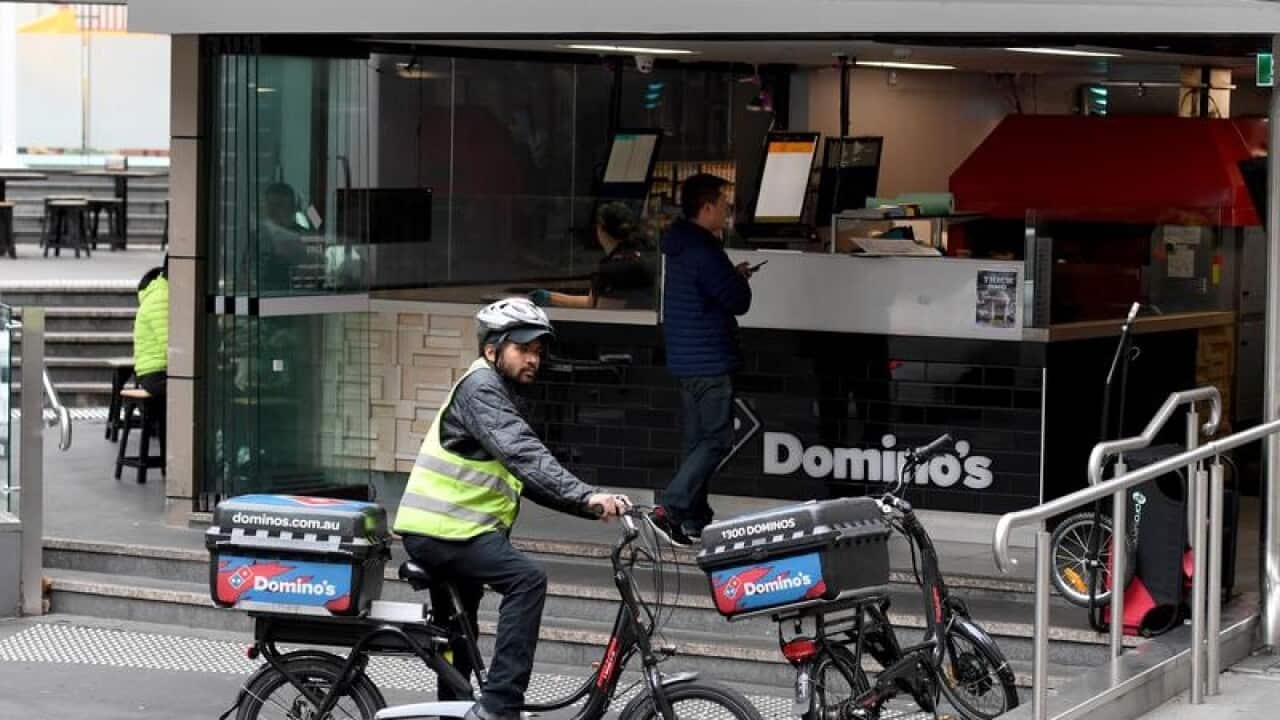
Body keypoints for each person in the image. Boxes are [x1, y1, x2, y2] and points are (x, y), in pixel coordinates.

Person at [393, 297, 632, 720]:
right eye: (523, 349)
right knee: (527, 581)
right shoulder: (481, 388)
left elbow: (523, 476)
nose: (533, 360)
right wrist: (585, 495)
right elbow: (523, 455)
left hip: (458, 531)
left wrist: (591, 505)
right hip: (444, 533)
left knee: (458, 635)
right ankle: (502, 707)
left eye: (539, 351)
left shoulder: (500, 391)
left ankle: (456, 711)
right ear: (492, 349)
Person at [650, 173, 755, 546]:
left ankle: (693, 519)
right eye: (724, 204)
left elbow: (708, 290)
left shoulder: (678, 246)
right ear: (707, 207)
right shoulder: (704, 250)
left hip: (685, 358)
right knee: (717, 440)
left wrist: (730, 274)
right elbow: (738, 301)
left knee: (696, 443)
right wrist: (739, 279)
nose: (727, 211)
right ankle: (671, 508)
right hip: (709, 358)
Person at [528, 202, 655, 310]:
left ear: (601, 230)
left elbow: (601, 310)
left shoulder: (614, 269)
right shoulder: (639, 256)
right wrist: (551, 297)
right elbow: (593, 301)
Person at [132, 259, 169, 402]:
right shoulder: (161, 298)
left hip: (160, 370)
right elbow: (169, 344)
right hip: (156, 373)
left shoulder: (165, 293)